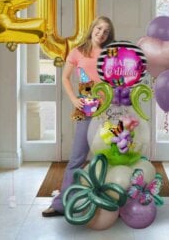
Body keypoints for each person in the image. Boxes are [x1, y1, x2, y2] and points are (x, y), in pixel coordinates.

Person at [42, 16, 115, 217]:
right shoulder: (78, 52)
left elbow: (118, 78)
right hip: (87, 108)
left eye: (106, 31)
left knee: (109, 157)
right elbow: (65, 77)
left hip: (109, 110)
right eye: (99, 28)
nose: (101, 33)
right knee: (77, 158)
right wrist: (74, 99)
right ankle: (60, 204)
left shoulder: (110, 53)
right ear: (92, 28)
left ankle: (110, 203)